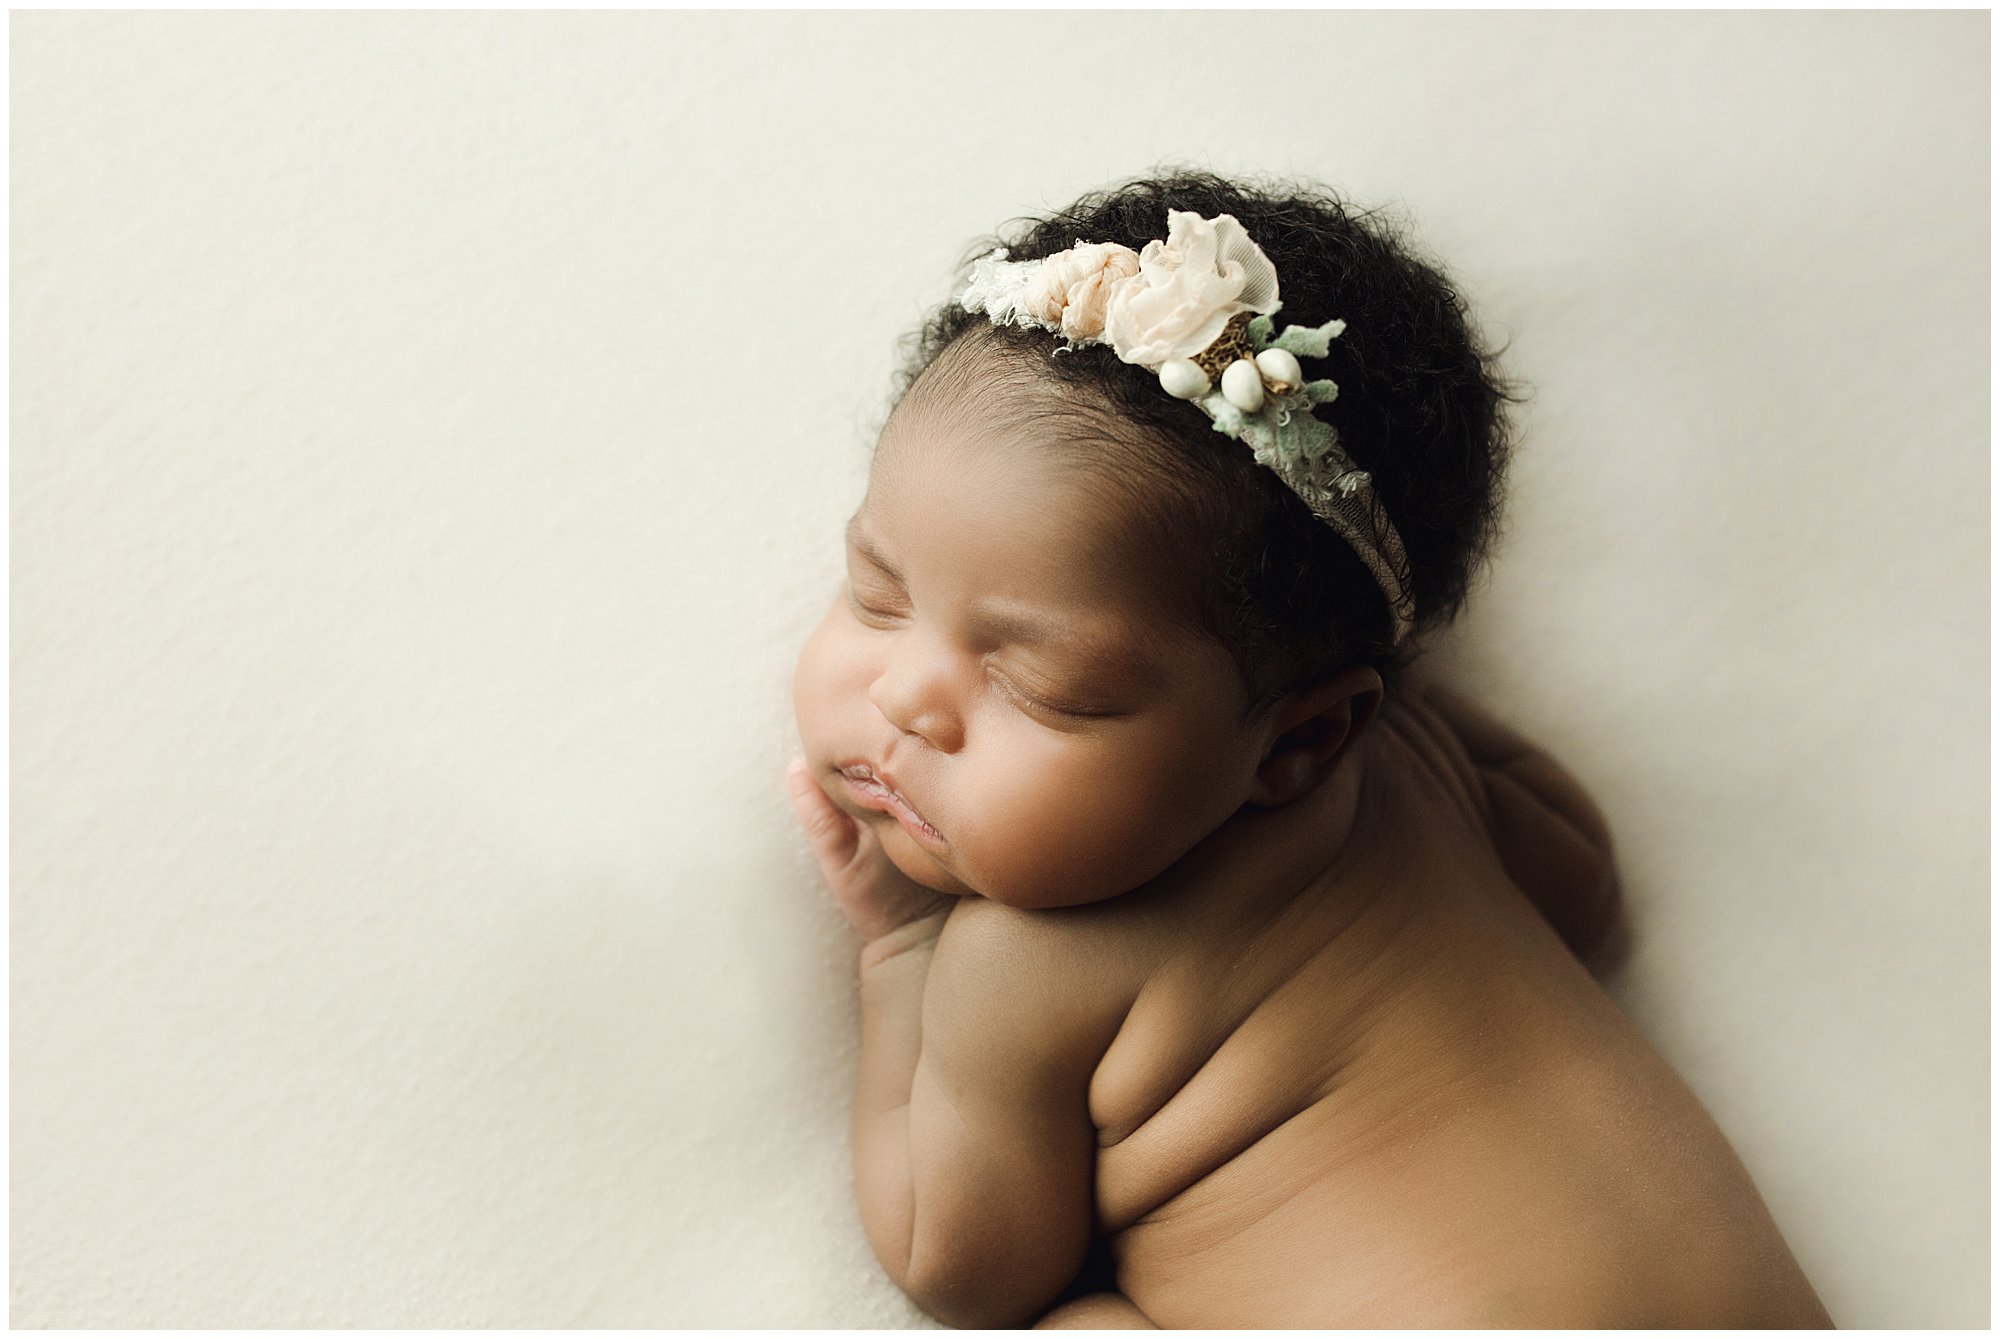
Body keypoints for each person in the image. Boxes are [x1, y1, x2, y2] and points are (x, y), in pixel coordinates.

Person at [786, 169, 1830, 1328]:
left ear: (1302, 738)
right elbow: (1581, 891)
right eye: (875, 595)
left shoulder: (1016, 968)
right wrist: (1406, 701)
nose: (906, 697)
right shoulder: (1416, 773)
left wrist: (895, 960)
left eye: (1045, 687)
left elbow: (960, 1266)